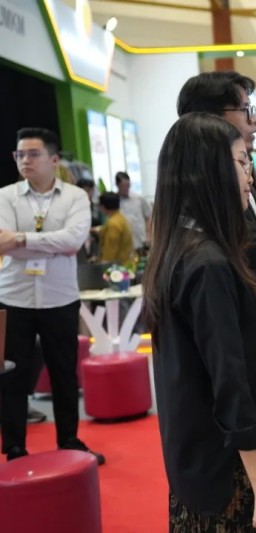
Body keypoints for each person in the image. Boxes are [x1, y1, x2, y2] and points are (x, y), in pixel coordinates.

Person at [144, 112, 256, 530]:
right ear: (209, 172)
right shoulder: (207, 263)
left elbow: (216, 338)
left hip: (201, 453)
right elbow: (229, 383)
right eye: (241, 162)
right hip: (224, 466)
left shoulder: (183, 245)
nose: (249, 177)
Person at [0, 127, 104, 464]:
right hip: (13, 297)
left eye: (33, 154)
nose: (24, 160)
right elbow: (1, 241)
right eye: (19, 154)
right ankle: (15, 447)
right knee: (12, 375)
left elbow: (73, 241)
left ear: (54, 160)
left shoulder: (75, 197)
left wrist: (21, 239)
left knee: (64, 373)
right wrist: (47, 242)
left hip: (60, 298)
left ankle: (69, 440)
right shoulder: (5, 196)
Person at [177, 71, 256, 293]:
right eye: (245, 109)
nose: (253, 120)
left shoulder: (242, 175)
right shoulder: (207, 188)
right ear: (210, 117)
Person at [116, 171, 151, 253]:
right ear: (117, 185)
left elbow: (148, 217)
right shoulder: (115, 202)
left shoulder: (139, 199)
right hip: (123, 245)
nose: (126, 188)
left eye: (128, 185)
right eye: (123, 186)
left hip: (141, 241)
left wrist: (149, 235)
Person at [96, 192, 134, 265]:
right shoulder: (121, 218)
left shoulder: (112, 224)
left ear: (103, 206)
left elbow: (110, 250)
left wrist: (104, 265)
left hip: (116, 267)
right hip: (126, 262)